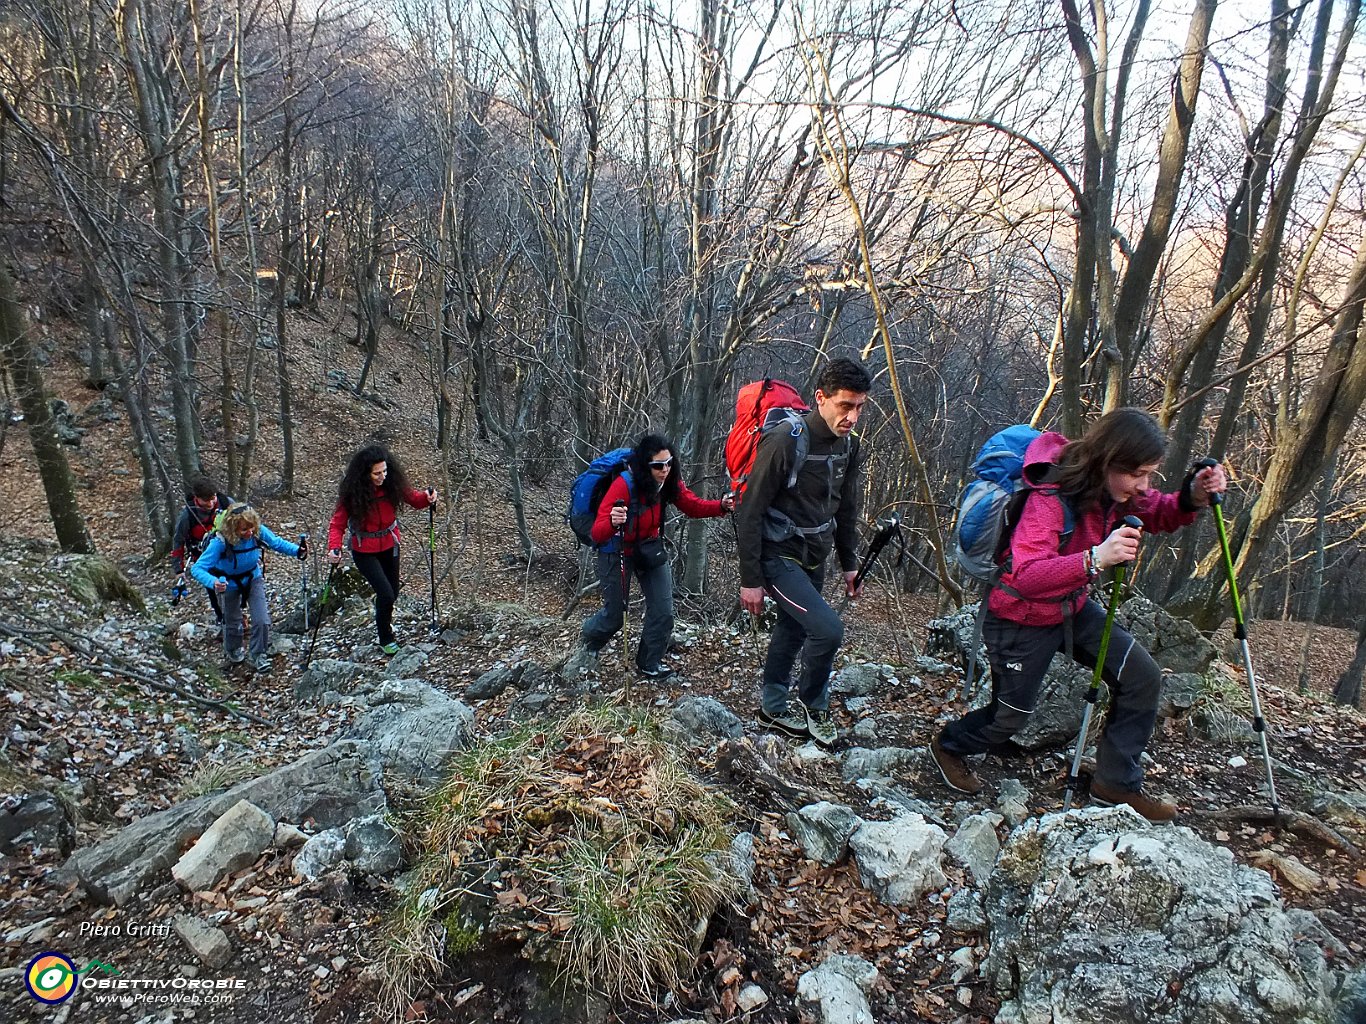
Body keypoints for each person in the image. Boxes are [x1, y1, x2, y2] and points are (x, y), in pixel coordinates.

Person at [930, 407, 1228, 822]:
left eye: (1151, 474)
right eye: (1138, 474)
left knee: (1141, 676)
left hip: (1069, 607)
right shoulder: (1049, 497)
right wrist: (1095, 559)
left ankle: (1116, 783)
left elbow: (1157, 510)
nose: (1144, 485)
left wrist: (1192, 496)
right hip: (1018, 617)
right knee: (1009, 718)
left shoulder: (1113, 489)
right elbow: (1026, 574)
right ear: (1108, 461)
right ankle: (949, 744)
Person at [736, 357, 872, 747]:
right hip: (778, 554)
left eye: (860, 407)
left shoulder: (849, 446)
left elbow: (847, 508)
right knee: (828, 630)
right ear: (821, 398)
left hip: (817, 552)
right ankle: (816, 706)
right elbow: (751, 510)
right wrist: (751, 580)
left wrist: (849, 564)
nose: (853, 416)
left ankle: (772, 707)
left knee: (793, 628)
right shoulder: (786, 440)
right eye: (846, 405)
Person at [579, 433, 734, 679]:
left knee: (663, 610)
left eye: (669, 463)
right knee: (615, 616)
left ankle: (649, 663)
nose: (665, 469)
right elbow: (598, 533)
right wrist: (611, 521)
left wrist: (720, 506)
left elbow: (691, 505)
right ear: (645, 465)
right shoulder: (623, 484)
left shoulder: (669, 481)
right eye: (658, 466)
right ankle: (588, 642)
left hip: (649, 547)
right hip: (616, 550)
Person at [326, 445, 436, 654]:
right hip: (364, 550)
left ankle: (382, 616)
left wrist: (428, 497)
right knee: (385, 593)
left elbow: (414, 499)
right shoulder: (352, 493)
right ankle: (386, 638)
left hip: (389, 544)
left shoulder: (392, 484)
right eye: (377, 473)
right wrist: (334, 548)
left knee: (391, 593)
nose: (382, 476)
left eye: (384, 471)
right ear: (365, 473)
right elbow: (337, 524)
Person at [190, 503, 304, 672]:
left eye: (251, 528)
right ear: (233, 528)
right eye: (244, 530)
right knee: (233, 622)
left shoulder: (257, 531)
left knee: (262, 620)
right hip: (227, 583)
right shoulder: (220, 542)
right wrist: (213, 582)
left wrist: (297, 551)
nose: (249, 532)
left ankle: (258, 654)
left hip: (252, 577)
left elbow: (276, 543)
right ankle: (233, 649)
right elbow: (197, 568)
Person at [170, 475, 236, 627]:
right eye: (206, 500)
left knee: (234, 584)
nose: (211, 503)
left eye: (213, 498)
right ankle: (222, 619)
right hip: (204, 558)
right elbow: (178, 541)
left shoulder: (226, 503)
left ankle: (235, 616)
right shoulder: (187, 516)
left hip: (227, 553)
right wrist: (178, 569)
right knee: (213, 589)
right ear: (196, 498)